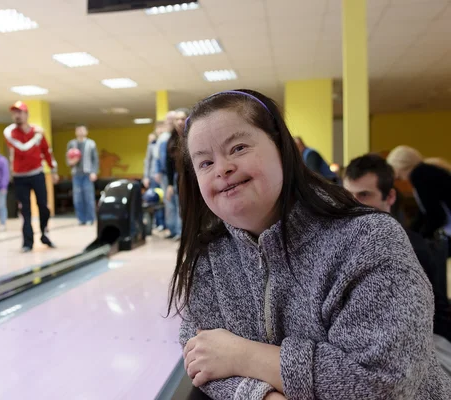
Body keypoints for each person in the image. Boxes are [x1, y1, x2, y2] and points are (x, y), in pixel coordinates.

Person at [167, 89, 451, 399]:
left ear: (281, 148)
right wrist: (260, 395)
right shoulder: (209, 255)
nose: (222, 168)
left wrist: (243, 356)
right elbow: (202, 357)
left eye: (238, 147)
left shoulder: (369, 239)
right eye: (205, 163)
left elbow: (381, 382)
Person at [343, 153, 451, 374]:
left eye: (364, 195)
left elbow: (425, 324)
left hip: (428, 338)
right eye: (348, 195)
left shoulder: (413, 247)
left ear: (390, 197)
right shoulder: (341, 242)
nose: (353, 204)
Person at [4, 101, 59, 252]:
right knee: (25, 210)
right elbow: (22, 150)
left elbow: (47, 152)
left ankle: (44, 234)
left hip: (37, 175)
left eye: (20, 112)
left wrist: (53, 170)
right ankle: (27, 242)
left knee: (44, 206)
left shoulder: (38, 133)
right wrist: (36, 138)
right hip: (20, 177)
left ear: (26, 114)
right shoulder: (9, 133)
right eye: (14, 112)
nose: (17, 115)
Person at [387, 146, 451, 250]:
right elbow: (425, 212)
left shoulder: (420, 175)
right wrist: (410, 234)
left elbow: (436, 216)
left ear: (399, 166)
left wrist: (418, 239)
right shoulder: (426, 171)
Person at [162, 109, 188, 240]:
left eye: (182, 119)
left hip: (194, 176)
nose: (179, 122)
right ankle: (181, 233)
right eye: (177, 119)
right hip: (179, 177)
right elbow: (169, 164)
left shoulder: (191, 135)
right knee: (180, 206)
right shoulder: (171, 140)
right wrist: (170, 184)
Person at [66, 124, 99, 226]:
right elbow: (67, 159)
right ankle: (81, 219)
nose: (80, 132)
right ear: (76, 132)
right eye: (78, 130)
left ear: (86, 132)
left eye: (82, 130)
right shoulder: (71, 144)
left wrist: (94, 172)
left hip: (87, 174)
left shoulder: (91, 143)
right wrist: (71, 162)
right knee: (78, 198)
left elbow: (95, 159)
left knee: (88, 197)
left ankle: (90, 219)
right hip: (76, 175)